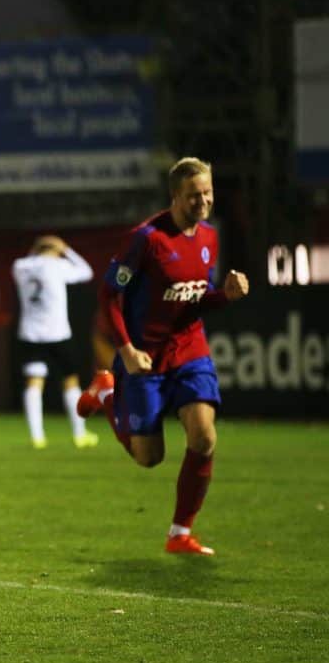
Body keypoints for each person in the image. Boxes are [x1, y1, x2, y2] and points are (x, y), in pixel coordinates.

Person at [76, 157, 249, 556]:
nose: (203, 201)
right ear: (175, 197)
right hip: (144, 357)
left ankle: (179, 533)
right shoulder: (146, 239)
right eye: (194, 196)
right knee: (148, 458)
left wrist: (226, 296)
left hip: (189, 349)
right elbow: (109, 295)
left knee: (204, 436)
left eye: (207, 193)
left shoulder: (209, 237)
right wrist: (127, 351)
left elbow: (194, 301)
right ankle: (106, 393)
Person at [11, 234, 98, 449]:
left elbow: (33, 259)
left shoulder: (21, 265)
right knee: (70, 382)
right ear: (57, 250)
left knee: (34, 383)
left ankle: (37, 436)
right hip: (57, 333)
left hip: (30, 334)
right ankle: (79, 434)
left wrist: (38, 249)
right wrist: (67, 250)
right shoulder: (59, 265)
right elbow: (87, 272)